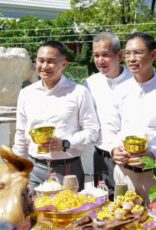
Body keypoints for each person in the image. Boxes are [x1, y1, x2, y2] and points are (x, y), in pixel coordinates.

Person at [109, 32, 156, 204]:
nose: (131, 58)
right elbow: (110, 128)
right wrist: (114, 149)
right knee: (124, 225)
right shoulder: (120, 90)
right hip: (124, 173)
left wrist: (155, 154)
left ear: (153, 55)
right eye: (128, 53)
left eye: (137, 52)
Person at [13, 41, 99, 191]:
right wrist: (17, 167)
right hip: (35, 169)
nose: (45, 66)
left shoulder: (78, 92)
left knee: (70, 211)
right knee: (33, 212)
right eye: (41, 60)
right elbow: (21, 133)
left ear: (64, 64)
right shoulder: (26, 93)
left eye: (51, 61)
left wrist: (65, 143)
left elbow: (92, 131)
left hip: (68, 170)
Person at [83, 32, 132, 200]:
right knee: (104, 204)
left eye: (105, 55)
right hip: (102, 155)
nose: (100, 60)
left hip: (129, 156)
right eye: (96, 55)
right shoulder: (90, 83)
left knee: (130, 203)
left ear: (119, 56)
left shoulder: (135, 81)